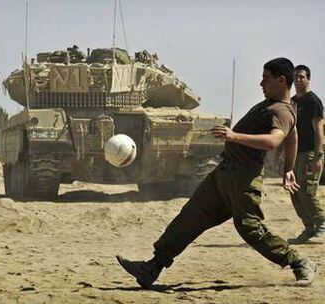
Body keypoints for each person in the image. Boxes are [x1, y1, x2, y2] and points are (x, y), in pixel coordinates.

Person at [116, 58, 317, 288]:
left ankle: (299, 262)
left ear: (282, 80)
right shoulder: (278, 106)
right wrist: (289, 169)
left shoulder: (280, 110)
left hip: (243, 179)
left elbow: (274, 140)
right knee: (190, 217)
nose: (261, 83)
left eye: (266, 78)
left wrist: (234, 136)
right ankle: (153, 266)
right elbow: (293, 136)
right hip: (223, 175)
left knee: (251, 229)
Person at [287, 65, 325, 244]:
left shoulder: (313, 101)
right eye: (296, 77)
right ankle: (309, 228)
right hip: (296, 152)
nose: (298, 80)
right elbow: (289, 129)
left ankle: (322, 225)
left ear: (308, 79)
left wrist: (318, 157)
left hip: (310, 152)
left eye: (302, 77)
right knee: (294, 190)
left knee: (307, 191)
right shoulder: (293, 101)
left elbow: (319, 130)